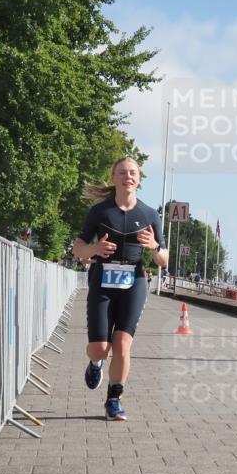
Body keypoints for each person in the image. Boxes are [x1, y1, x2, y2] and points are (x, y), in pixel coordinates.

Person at [72, 157, 168, 420]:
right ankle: (95, 364)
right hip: (102, 279)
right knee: (100, 348)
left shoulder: (149, 214)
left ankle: (114, 399)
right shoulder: (100, 212)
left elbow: (164, 259)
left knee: (123, 345)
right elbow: (78, 248)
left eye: (133, 173)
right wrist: (94, 249)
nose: (128, 176)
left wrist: (154, 248)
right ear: (114, 177)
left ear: (138, 179)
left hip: (134, 282)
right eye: (123, 172)